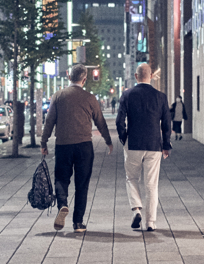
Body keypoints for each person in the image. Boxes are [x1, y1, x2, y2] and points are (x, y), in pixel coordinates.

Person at [41, 64, 114, 232]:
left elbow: (49, 121)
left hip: (63, 145)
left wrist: (44, 142)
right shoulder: (90, 98)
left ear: (68, 76)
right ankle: (78, 223)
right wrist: (108, 141)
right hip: (84, 146)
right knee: (82, 184)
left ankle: (63, 204)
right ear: (84, 79)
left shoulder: (58, 96)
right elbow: (100, 122)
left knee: (61, 179)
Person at [117, 63, 171, 232]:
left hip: (133, 143)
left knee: (131, 178)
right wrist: (166, 144)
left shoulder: (127, 95)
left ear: (136, 76)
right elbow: (167, 123)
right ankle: (151, 222)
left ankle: (136, 209)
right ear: (151, 76)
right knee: (151, 184)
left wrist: (124, 137)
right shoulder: (160, 97)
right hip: (154, 144)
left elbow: (120, 121)